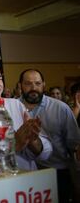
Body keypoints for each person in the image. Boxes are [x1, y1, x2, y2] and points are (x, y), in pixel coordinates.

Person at [19, 69, 80, 203]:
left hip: (57, 173)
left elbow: (73, 143)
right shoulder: (11, 108)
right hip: (24, 176)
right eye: (28, 83)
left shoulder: (61, 108)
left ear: (44, 85)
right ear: (20, 86)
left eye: (38, 83)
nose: (33, 88)